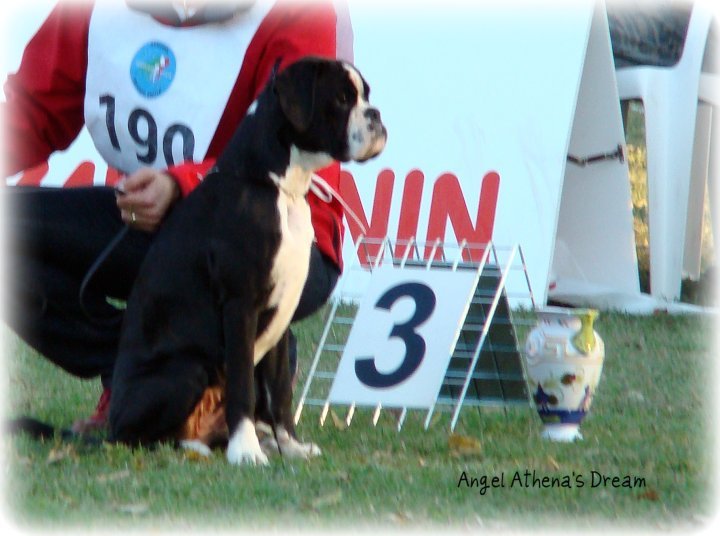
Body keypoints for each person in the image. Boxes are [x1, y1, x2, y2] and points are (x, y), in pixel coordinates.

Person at [2, 0, 351, 432]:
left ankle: (233, 370)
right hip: (157, 223)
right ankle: (167, 377)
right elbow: (31, 112)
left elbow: (291, 138)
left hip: (281, 234)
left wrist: (182, 183)